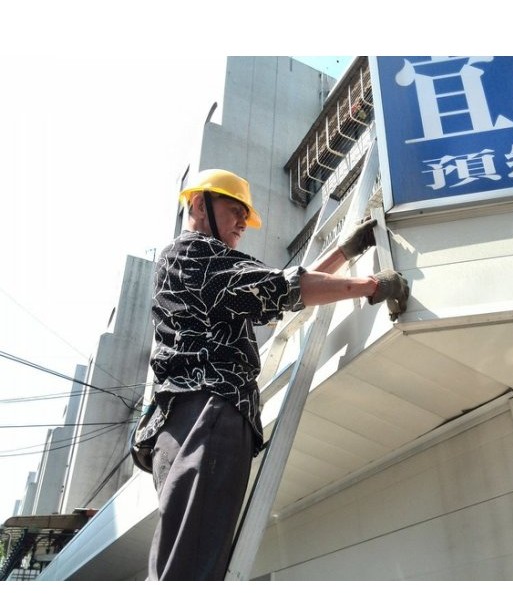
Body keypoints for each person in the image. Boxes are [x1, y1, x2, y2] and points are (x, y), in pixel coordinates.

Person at [140, 168, 409, 580]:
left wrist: (346, 251)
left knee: (190, 562)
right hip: (207, 413)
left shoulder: (203, 272)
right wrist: (372, 286)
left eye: (245, 218)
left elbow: (280, 289)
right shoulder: (195, 254)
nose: (241, 225)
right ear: (198, 205)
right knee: (189, 574)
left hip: (184, 422)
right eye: (235, 211)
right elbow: (283, 289)